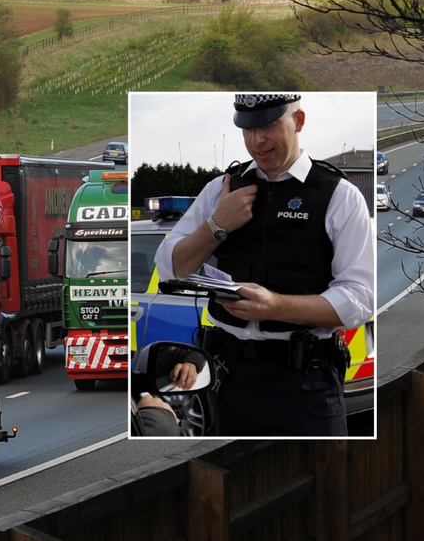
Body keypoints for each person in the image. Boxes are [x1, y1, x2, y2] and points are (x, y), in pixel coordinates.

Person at [154, 94, 374, 437]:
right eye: (247, 128)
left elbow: (360, 298)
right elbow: (170, 268)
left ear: (298, 121)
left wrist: (276, 306)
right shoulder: (222, 190)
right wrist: (217, 225)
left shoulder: (339, 196)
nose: (257, 141)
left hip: (305, 382)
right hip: (228, 381)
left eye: (269, 125)